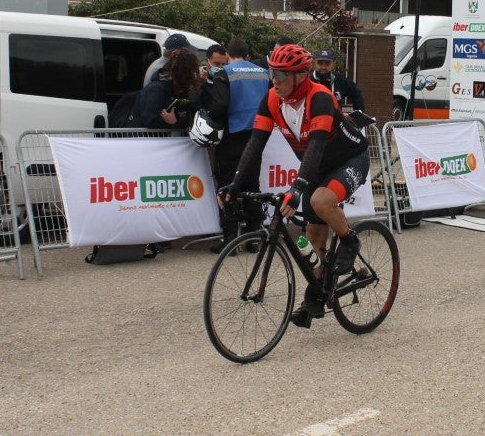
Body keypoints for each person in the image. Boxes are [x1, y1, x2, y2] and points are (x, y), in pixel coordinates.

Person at [218, 44, 370, 329]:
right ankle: (319, 292)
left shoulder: (320, 98)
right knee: (310, 241)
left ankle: (350, 240)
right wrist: (236, 183)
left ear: (300, 75)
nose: (273, 80)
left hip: (349, 158)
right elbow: (255, 143)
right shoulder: (272, 99)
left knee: (321, 202)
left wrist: (297, 188)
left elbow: (315, 147)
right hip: (317, 167)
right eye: (272, 73)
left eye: (280, 75)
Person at [196, 38, 271, 252]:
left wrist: (207, 115)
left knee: (228, 185)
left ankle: (230, 241)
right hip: (257, 134)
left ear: (228, 55)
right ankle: (255, 239)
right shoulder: (263, 73)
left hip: (232, 136)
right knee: (251, 185)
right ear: (247, 54)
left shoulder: (224, 73)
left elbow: (220, 105)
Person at [129, 48, 201, 130]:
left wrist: (177, 120)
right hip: (142, 138)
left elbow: (191, 115)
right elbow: (150, 121)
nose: (194, 77)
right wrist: (172, 121)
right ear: (183, 73)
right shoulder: (156, 89)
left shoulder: (180, 89)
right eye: (191, 73)